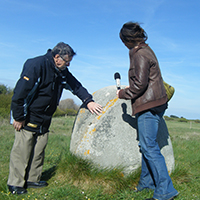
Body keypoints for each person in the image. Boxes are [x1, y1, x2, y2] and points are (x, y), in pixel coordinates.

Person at [8, 42, 102, 195]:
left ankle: (32, 179)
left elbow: (76, 86)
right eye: (67, 61)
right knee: (22, 151)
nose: (68, 64)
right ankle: (15, 184)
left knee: (39, 150)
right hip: (28, 116)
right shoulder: (36, 65)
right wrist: (18, 117)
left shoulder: (62, 71)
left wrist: (88, 100)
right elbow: (20, 93)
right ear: (57, 56)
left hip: (45, 118)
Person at [117, 22, 178, 200]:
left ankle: (166, 191)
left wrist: (122, 93)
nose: (123, 45)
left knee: (149, 147)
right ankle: (146, 183)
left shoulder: (140, 54)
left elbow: (140, 85)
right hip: (157, 103)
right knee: (146, 145)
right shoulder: (147, 50)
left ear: (128, 40)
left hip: (148, 106)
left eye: (123, 41)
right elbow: (146, 80)